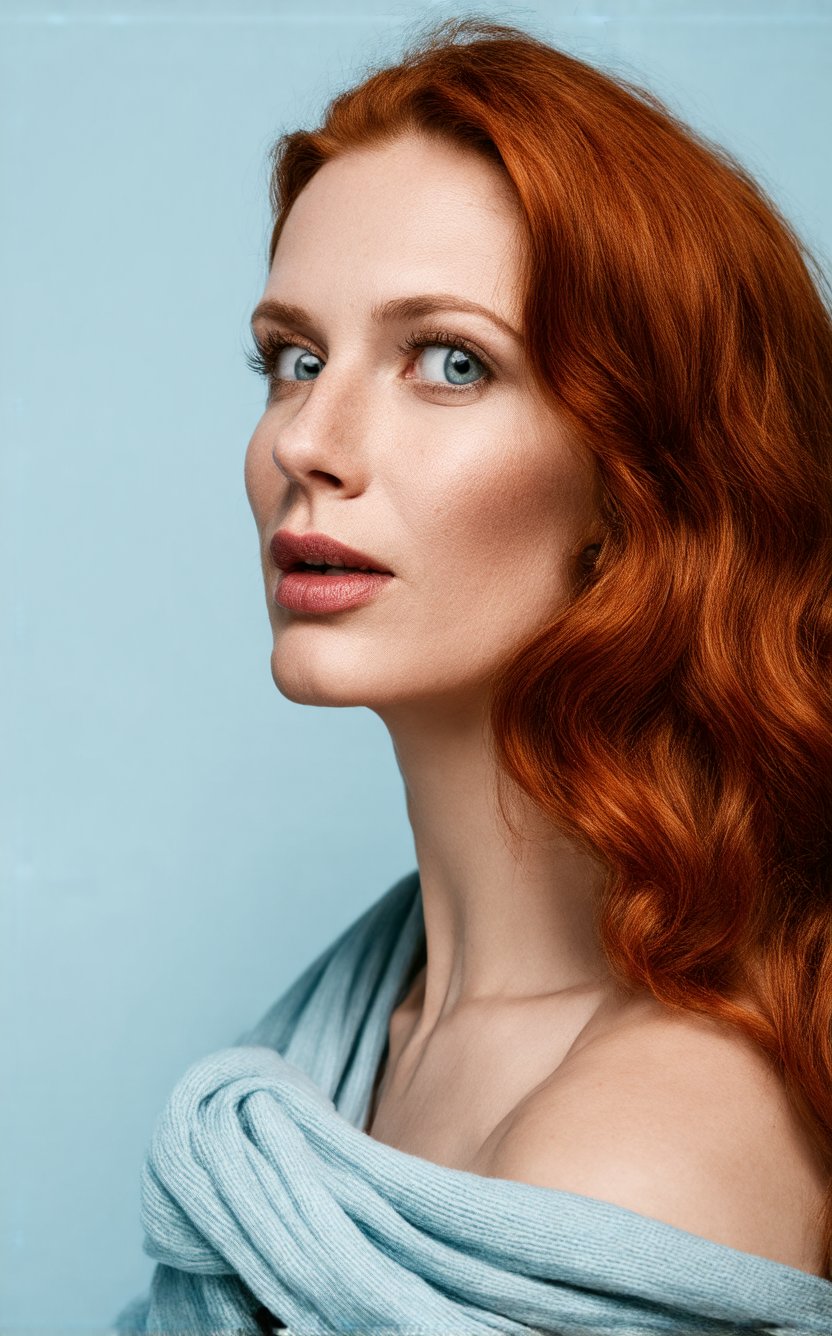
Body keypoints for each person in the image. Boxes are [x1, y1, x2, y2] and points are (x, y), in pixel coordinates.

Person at [116, 16, 832, 1334]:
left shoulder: (645, 1154)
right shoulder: (363, 1017)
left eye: (450, 362)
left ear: (641, 480)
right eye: (295, 358)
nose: (312, 445)